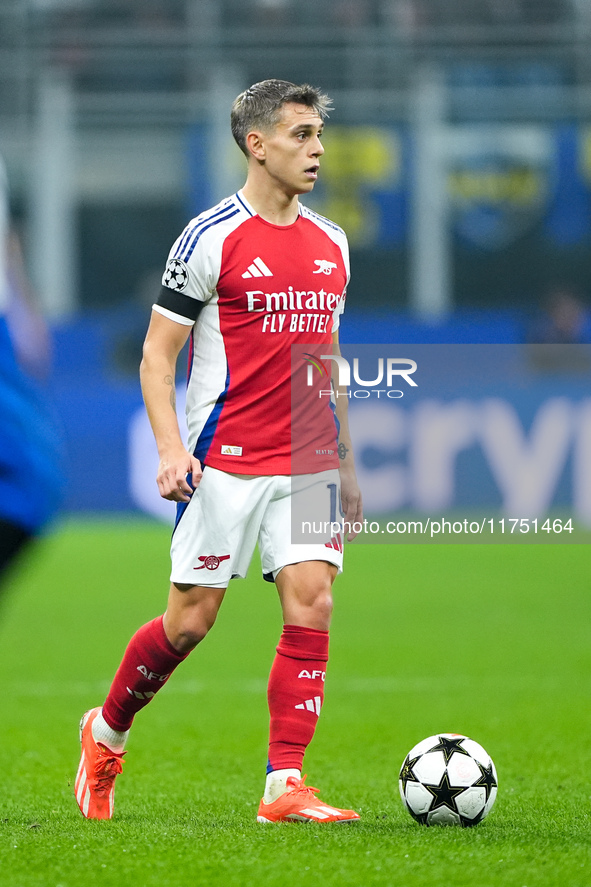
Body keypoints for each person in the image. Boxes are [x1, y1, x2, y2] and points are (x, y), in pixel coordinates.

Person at [75, 79, 363, 823]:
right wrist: (170, 450)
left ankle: (284, 784)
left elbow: (325, 356)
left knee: (314, 598)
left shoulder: (330, 242)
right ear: (255, 143)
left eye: (318, 134)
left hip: (306, 455)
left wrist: (347, 459)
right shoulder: (210, 237)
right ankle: (105, 734)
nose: (318, 149)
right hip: (223, 456)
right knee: (189, 622)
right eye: (300, 135)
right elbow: (155, 356)